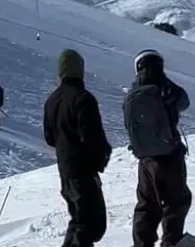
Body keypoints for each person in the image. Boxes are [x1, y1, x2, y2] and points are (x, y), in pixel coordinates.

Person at [123, 50, 192, 247]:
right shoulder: (165, 87)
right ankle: (170, 242)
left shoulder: (133, 92)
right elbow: (184, 101)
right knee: (175, 202)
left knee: (146, 206)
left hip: (145, 160)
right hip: (169, 157)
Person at [44, 49, 112, 247]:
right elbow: (92, 136)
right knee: (91, 224)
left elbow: (49, 138)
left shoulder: (52, 100)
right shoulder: (83, 98)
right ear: (80, 70)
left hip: (65, 170)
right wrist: (102, 156)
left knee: (79, 219)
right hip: (83, 169)